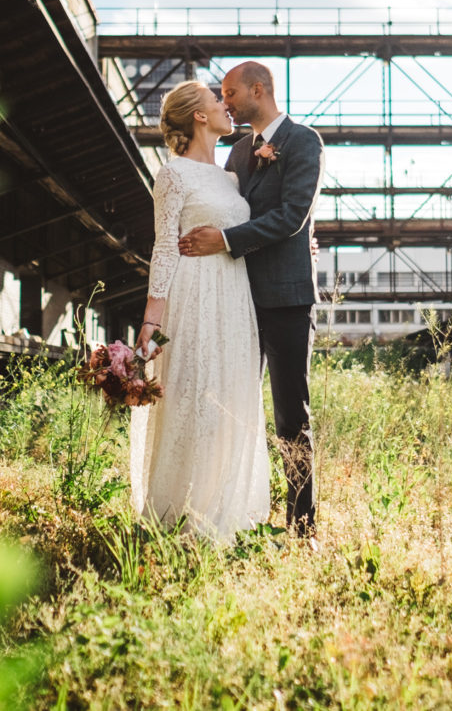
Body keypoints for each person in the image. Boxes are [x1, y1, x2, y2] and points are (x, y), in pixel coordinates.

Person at [178, 61, 325, 537]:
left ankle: (301, 526)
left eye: (231, 92)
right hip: (235, 295)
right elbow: (224, 206)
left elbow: (292, 216)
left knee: (290, 414)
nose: (226, 102)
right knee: (229, 405)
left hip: (285, 298)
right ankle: (228, 512)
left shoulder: (305, 142)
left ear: (257, 90)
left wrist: (224, 240)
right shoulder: (239, 150)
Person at [132, 81, 270, 542]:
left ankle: (220, 510)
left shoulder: (232, 176)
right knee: (193, 393)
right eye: (218, 101)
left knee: (229, 395)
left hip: (234, 294)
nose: (226, 107)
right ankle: (176, 514)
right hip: (193, 293)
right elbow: (165, 247)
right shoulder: (172, 175)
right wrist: (152, 318)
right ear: (198, 115)